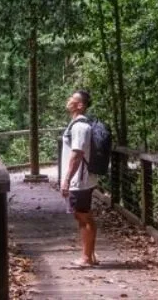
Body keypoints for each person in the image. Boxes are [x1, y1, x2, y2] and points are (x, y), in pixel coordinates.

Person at [59, 90, 98, 267]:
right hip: (81, 178)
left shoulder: (80, 127)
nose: (68, 100)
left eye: (72, 99)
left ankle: (86, 258)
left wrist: (67, 179)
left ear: (80, 105)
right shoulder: (77, 124)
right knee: (82, 215)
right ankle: (90, 254)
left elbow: (77, 154)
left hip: (80, 180)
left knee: (84, 217)